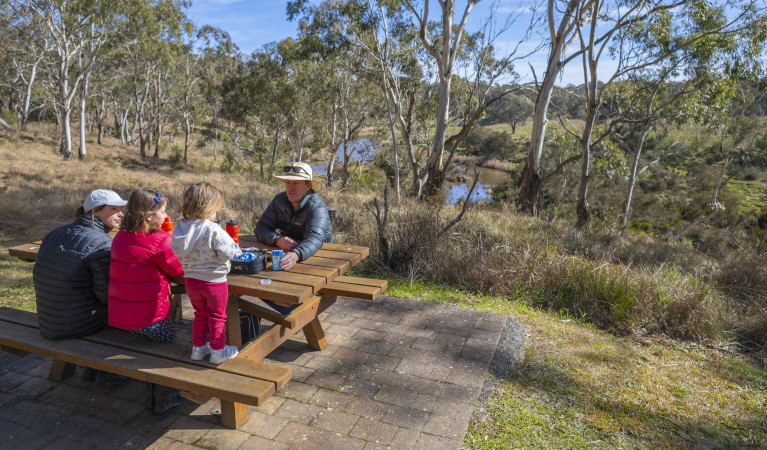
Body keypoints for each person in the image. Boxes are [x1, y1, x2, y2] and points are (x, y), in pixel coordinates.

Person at [33, 188, 129, 386]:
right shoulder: (102, 243)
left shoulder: (54, 233)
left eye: (121, 209)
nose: (121, 214)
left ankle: (91, 371)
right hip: (74, 324)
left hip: (49, 318)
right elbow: (106, 296)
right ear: (95, 212)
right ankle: (108, 373)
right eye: (114, 209)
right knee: (130, 315)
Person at [108, 188, 185, 414]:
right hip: (151, 318)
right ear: (149, 217)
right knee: (170, 350)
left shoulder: (120, 237)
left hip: (121, 318)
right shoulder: (160, 240)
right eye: (163, 211)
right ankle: (166, 397)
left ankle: (150, 390)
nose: (166, 216)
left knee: (149, 347)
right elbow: (178, 268)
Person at [171, 182, 241, 365]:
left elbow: (176, 250)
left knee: (200, 314)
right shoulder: (213, 229)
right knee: (217, 316)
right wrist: (221, 260)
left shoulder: (181, 228)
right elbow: (229, 252)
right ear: (209, 209)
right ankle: (218, 350)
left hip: (191, 280)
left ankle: (198, 348)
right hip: (214, 282)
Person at [255, 162, 333, 314]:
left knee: (282, 295)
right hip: (289, 258)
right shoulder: (279, 201)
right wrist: (277, 239)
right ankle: (291, 313)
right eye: (288, 183)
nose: (290, 188)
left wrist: (297, 254)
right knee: (256, 281)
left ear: (308, 186)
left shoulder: (317, 207)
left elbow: (316, 239)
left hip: (320, 259)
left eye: (296, 183)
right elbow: (261, 227)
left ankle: (294, 314)